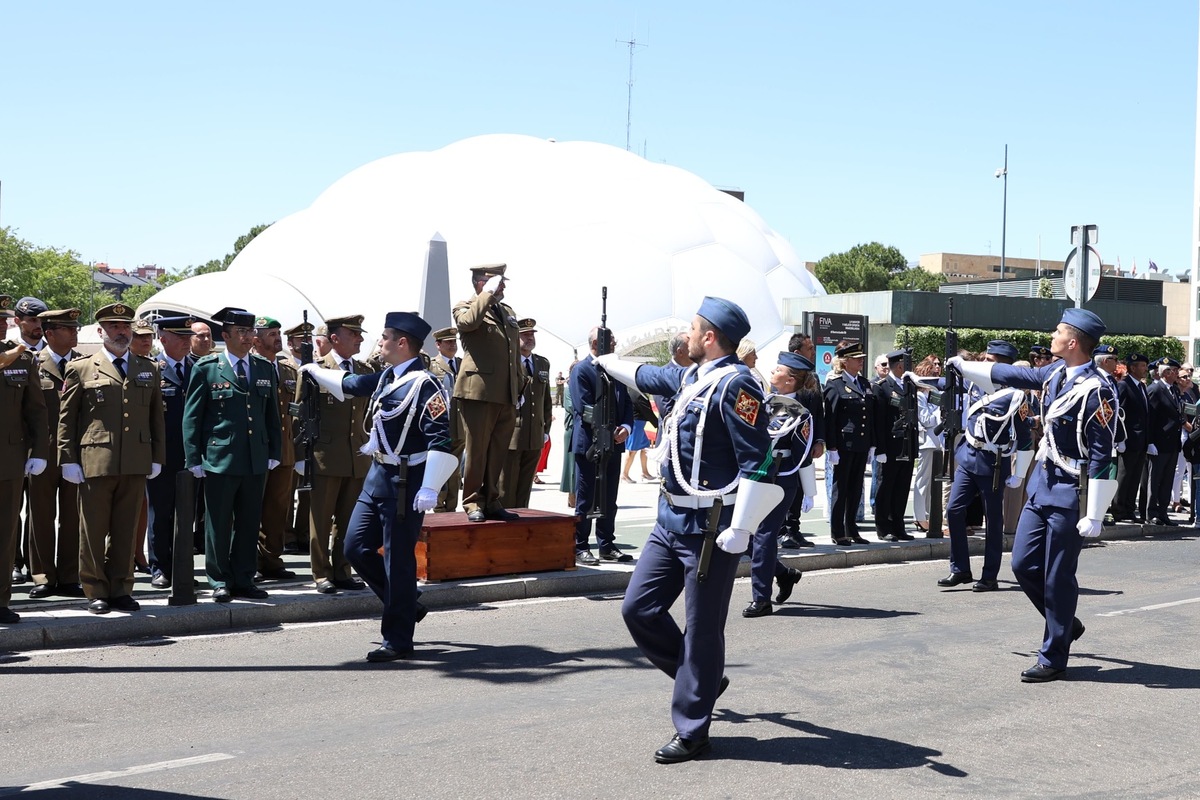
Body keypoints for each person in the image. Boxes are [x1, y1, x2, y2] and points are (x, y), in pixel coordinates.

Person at [595, 296, 778, 763]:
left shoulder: (737, 386)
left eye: (693, 330)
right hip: (670, 519)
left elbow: (760, 464)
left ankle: (693, 729)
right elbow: (642, 375)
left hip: (712, 526)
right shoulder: (690, 377)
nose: (686, 337)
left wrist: (742, 529)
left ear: (710, 337)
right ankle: (702, 678)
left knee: (702, 631)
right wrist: (602, 357)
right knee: (639, 609)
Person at [950, 308, 1116, 682]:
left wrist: (1095, 512)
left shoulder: (1098, 389)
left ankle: (1054, 655)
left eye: (1058, 331)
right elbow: (1013, 374)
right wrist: (963, 366)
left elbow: (1105, 453)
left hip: (1071, 490)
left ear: (1073, 342)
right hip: (1042, 484)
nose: (1052, 336)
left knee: (1058, 576)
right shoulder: (1054, 373)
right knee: (1023, 564)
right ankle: (1065, 622)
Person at [299, 311, 458, 661]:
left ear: (402, 343)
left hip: (406, 481)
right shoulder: (387, 375)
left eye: (384, 337)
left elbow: (440, 439)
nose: (379, 342)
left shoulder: (425, 385)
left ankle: (398, 639)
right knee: (355, 547)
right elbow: (352, 386)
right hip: (378, 476)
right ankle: (404, 602)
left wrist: (430, 487)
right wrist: (314, 370)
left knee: (398, 561)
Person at [59, 302, 165, 615]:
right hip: (96, 461)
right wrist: (67, 458)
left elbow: (156, 417)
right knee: (92, 530)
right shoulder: (81, 368)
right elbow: (68, 418)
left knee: (126, 530)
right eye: (114, 327)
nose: (121, 332)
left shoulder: (148, 368)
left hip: (135, 460)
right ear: (101, 331)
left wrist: (157, 455)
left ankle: (121, 588)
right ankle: (95, 590)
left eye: (126, 327)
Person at [182, 307, 281, 603]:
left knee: (250, 522)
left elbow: (271, 415)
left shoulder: (263, 367)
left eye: (251, 332)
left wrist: (274, 450)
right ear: (225, 336)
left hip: (255, 457)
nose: (249, 337)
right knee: (219, 522)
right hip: (220, 458)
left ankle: (244, 578)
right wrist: (193, 458)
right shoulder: (208, 367)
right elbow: (192, 417)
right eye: (242, 332)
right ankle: (219, 578)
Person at [936, 340, 1033, 592]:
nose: (983, 364)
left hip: (994, 463)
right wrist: (917, 380)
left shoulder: (1015, 397)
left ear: (1002, 365)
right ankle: (960, 568)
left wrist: (1019, 474)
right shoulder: (975, 384)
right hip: (968, 456)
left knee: (993, 520)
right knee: (954, 510)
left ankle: (989, 575)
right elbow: (947, 386)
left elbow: (1025, 439)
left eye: (989, 361)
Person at [302, 314, 372, 593]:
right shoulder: (314, 369)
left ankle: (343, 570)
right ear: (334, 338)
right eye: (353, 334)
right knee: (320, 519)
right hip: (325, 456)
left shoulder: (365, 370)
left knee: (349, 520)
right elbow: (300, 414)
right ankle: (321, 573)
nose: (360, 339)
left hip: (356, 456)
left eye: (359, 334)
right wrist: (300, 455)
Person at [743, 351, 816, 617]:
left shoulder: (801, 413)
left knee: (764, 534)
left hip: (780, 478)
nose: (772, 371)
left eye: (778, 370)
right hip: (754, 476)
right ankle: (783, 573)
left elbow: (803, 453)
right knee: (738, 532)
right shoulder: (764, 402)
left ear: (790, 380)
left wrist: (810, 491)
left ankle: (761, 599)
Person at [452, 263, 524, 522]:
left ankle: (492, 499)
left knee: (498, 450)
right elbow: (468, 323)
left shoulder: (506, 312)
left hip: (506, 392)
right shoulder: (466, 306)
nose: (503, 286)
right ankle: (472, 501)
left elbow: (512, 353)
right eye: (497, 281)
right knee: (478, 449)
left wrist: (520, 384)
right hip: (478, 392)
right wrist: (486, 295)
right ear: (482, 283)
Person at [26, 309, 84, 599]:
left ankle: (69, 575)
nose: (74, 333)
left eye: (75, 327)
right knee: (41, 515)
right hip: (43, 452)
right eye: (67, 328)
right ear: (49, 333)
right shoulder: (33, 364)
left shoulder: (85, 364)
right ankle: (43, 576)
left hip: (74, 453)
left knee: (73, 517)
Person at [0, 294, 49, 623]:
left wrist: (39, 452)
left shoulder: (22, 359)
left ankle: (1, 599)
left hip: (9, 457)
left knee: (4, 532)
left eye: (3, 318)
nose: (3, 323)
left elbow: (36, 411)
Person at [571, 326, 634, 565]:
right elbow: (583, 407)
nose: (615, 345)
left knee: (609, 497)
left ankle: (606, 544)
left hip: (614, 443)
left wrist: (625, 428)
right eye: (611, 341)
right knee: (586, 497)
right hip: (589, 443)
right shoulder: (582, 370)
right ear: (596, 344)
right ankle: (580, 545)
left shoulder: (614, 370)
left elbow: (626, 403)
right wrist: (606, 429)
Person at [144, 315, 196, 588]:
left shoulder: (199, 367)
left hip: (193, 455)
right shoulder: (152, 368)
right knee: (161, 514)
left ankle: (182, 568)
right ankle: (159, 567)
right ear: (162, 339)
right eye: (181, 337)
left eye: (189, 337)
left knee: (187, 515)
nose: (187, 342)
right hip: (163, 454)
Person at [252, 316, 300, 582]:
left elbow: (295, 409)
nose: (277, 338)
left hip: (285, 449)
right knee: (253, 508)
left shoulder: (287, 370)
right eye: (271, 334)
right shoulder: (251, 368)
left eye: (278, 333)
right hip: (259, 450)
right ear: (257, 340)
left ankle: (272, 558)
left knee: (278, 508)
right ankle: (252, 561)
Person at [824, 341, 874, 545]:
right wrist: (832, 447)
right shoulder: (835, 384)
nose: (861, 361)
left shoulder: (865, 383)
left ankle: (852, 528)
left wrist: (872, 443)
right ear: (845, 362)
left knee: (856, 488)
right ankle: (837, 531)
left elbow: (870, 416)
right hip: (844, 445)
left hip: (861, 444)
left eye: (861, 358)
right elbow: (831, 419)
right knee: (841, 488)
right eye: (856, 358)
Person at [500, 318, 553, 508]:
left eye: (532, 334)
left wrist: (545, 429)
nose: (530, 338)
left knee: (524, 489)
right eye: (525, 334)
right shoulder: (507, 362)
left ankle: (522, 527)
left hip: (534, 435)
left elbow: (546, 401)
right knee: (506, 488)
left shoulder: (542, 363)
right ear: (515, 337)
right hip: (511, 436)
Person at [778, 332, 824, 549]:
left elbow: (818, 414)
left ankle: (793, 529)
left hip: (805, 445)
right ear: (797, 352)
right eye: (809, 348)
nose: (813, 352)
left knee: (798, 490)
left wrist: (820, 440)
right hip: (786, 450)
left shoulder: (812, 380)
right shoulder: (783, 383)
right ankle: (782, 530)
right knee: (785, 489)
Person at [872, 350, 919, 542]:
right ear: (900, 366)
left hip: (907, 445)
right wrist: (880, 449)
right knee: (887, 486)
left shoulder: (909, 385)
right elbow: (879, 421)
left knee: (902, 487)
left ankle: (899, 526)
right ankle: (884, 527)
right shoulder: (883, 387)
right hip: (891, 446)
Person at [426, 326, 464, 512]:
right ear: (438, 345)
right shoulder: (432, 365)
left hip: (460, 426)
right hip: (441, 426)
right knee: (440, 467)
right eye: (448, 342)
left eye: (454, 341)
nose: (452, 345)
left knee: (455, 471)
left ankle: (451, 506)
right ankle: (439, 507)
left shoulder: (463, 364)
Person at [1146, 357, 1187, 526]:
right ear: (1165, 372)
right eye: (1174, 370)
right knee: (1155, 479)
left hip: (1172, 443)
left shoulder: (1174, 390)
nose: (1177, 373)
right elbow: (1149, 418)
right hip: (1159, 443)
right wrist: (1150, 442)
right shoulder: (1155, 389)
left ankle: (1163, 512)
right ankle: (1151, 512)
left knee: (1167, 479)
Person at [911, 355, 942, 534]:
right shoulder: (920, 396)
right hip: (926, 441)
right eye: (933, 367)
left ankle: (930, 515)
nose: (937, 369)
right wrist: (940, 410)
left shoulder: (935, 394)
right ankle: (919, 516)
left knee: (933, 483)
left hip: (937, 441)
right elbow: (926, 419)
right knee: (922, 480)